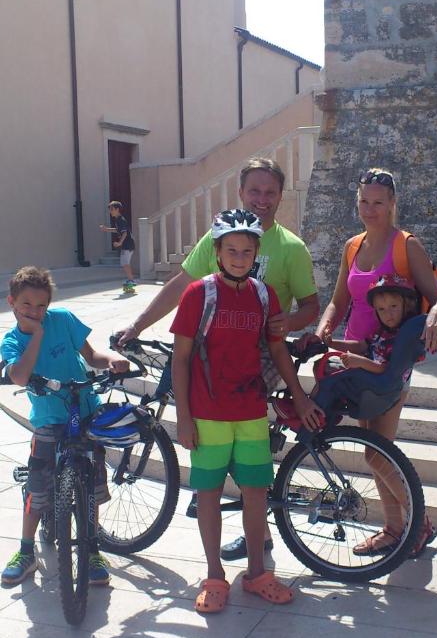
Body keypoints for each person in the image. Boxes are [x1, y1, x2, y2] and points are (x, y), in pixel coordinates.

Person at [114, 158, 320, 560]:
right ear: (241, 193)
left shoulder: (291, 248)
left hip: (258, 352)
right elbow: (182, 284)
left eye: (271, 192)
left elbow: (311, 305)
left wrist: (285, 321)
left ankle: (246, 520)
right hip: (216, 348)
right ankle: (228, 503)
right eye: (255, 191)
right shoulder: (222, 236)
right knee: (206, 404)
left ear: (281, 196)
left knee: (242, 445)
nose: (262, 199)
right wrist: (137, 326)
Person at [169, 210, 323, 613]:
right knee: (209, 494)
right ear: (217, 253)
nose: (239, 257)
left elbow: (276, 349)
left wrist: (299, 395)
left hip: (251, 410)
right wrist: (183, 417)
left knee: (257, 492)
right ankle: (215, 576)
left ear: (256, 253)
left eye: (247, 250)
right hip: (207, 414)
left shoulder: (263, 295)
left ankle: (257, 573)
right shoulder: (198, 294)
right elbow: (180, 359)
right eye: (231, 250)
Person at [309, 168, 437, 558]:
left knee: (377, 451)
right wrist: (324, 328)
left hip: (389, 363)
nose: (370, 209)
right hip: (356, 358)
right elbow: (340, 299)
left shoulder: (406, 245)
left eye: (378, 201)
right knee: (374, 448)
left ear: (392, 204)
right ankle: (395, 529)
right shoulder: (352, 246)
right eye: (363, 201)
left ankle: (414, 525)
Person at [0, 266, 130, 586]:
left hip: (84, 406)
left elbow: (91, 355)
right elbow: (18, 375)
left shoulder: (64, 319)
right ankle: (26, 551)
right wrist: (37, 335)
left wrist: (111, 358)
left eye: (41, 305)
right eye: (26, 304)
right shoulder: (13, 340)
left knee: (93, 482)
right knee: (39, 485)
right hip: (49, 416)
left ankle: (93, 548)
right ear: (12, 302)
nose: (35, 311)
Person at [99, 200, 136, 293]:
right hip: (128, 244)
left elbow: (124, 232)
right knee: (124, 262)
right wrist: (107, 229)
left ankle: (131, 280)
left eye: (112, 209)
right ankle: (131, 279)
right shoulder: (118, 220)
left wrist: (119, 242)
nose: (110, 211)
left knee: (124, 262)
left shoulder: (121, 220)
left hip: (127, 245)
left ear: (117, 209)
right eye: (110, 209)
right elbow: (118, 230)